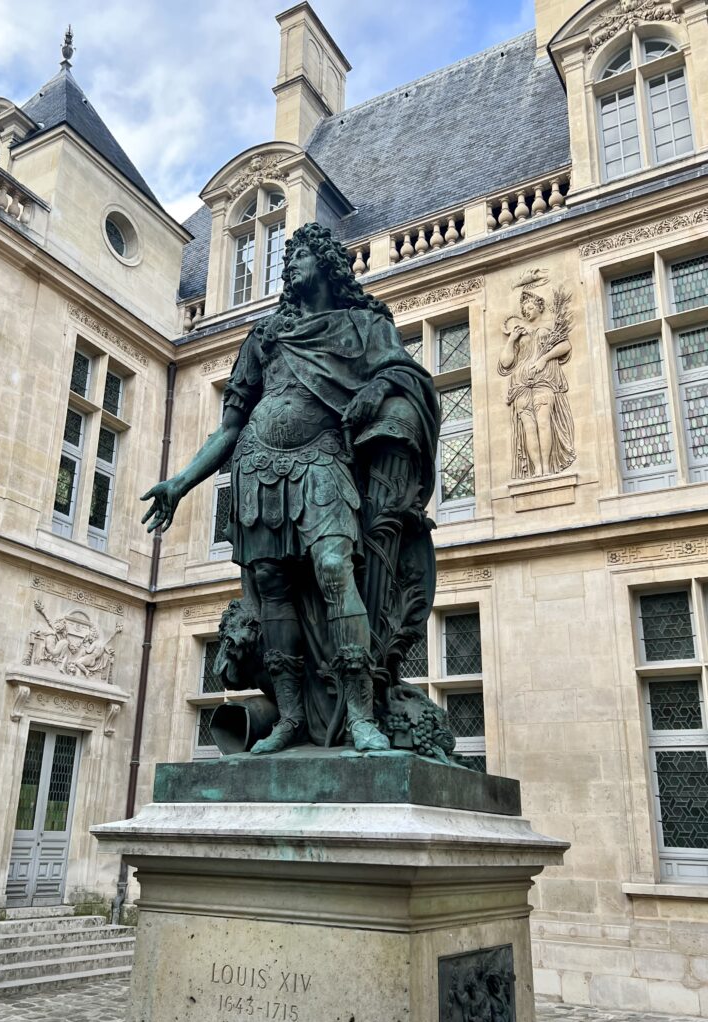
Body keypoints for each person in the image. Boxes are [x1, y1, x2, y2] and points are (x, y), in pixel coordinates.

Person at [142, 223, 439, 754]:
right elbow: (229, 426)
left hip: (321, 461)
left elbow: (409, 377)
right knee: (272, 590)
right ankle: (290, 718)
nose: (289, 264)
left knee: (333, 568)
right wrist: (181, 482)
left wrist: (377, 387)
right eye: (289, 257)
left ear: (326, 264)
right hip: (257, 469)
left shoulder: (362, 325)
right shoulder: (265, 336)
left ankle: (360, 716)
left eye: (300, 255)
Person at [498, 288, 574, 478]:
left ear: (539, 307)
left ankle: (547, 468)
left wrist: (544, 359)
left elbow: (566, 346)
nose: (526, 311)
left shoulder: (550, 327)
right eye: (524, 309)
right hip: (520, 386)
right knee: (528, 428)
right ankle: (537, 470)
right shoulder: (519, 333)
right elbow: (506, 362)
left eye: (530, 307)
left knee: (543, 422)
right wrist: (511, 340)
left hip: (543, 380)